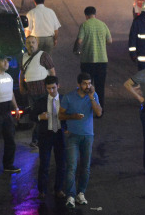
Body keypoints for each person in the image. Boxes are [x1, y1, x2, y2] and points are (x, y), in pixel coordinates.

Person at [59, 72, 102, 208]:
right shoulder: (69, 97)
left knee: (85, 167)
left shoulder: (93, 96)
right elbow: (60, 115)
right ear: (78, 84)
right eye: (84, 83)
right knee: (72, 166)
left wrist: (92, 98)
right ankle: (70, 195)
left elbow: (99, 113)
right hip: (73, 136)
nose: (87, 86)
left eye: (89, 83)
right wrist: (73, 117)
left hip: (88, 136)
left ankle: (81, 193)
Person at [31, 75, 65, 199]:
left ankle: (59, 189)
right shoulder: (40, 101)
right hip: (45, 136)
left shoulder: (64, 100)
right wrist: (40, 117)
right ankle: (42, 190)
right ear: (45, 88)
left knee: (61, 164)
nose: (51, 91)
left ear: (58, 86)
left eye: (53, 88)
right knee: (44, 164)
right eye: (49, 88)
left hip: (60, 136)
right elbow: (32, 116)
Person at [20, 36, 56, 147]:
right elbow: (22, 73)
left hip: (43, 93)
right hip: (32, 94)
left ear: (37, 43)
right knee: (37, 117)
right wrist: (21, 85)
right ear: (25, 45)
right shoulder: (24, 57)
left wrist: (53, 89)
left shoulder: (44, 56)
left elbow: (52, 72)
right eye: (28, 43)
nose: (31, 44)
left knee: (44, 116)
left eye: (33, 42)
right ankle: (40, 139)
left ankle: (38, 139)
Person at [76, 6, 112, 113]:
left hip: (87, 60)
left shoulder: (84, 25)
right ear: (95, 14)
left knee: (86, 86)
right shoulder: (103, 25)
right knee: (100, 86)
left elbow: (79, 41)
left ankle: (88, 108)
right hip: (102, 61)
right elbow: (109, 41)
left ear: (86, 15)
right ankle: (100, 110)